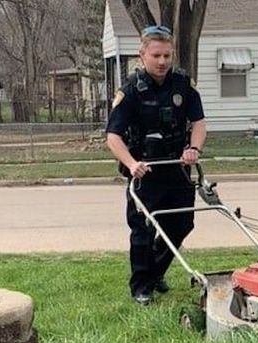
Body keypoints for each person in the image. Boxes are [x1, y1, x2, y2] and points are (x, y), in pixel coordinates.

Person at [106, 25, 207, 305]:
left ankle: (155, 271)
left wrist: (194, 148)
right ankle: (142, 287)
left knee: (182, 224)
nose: (162, 61)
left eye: (167, 55)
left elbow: (199, 123)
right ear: (142, 55)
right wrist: (131, 162)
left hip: (177, 168)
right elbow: (113, 137)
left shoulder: (183, 86)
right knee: (143, 231)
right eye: (156, 55)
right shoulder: (130, 91)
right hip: (145, 173)